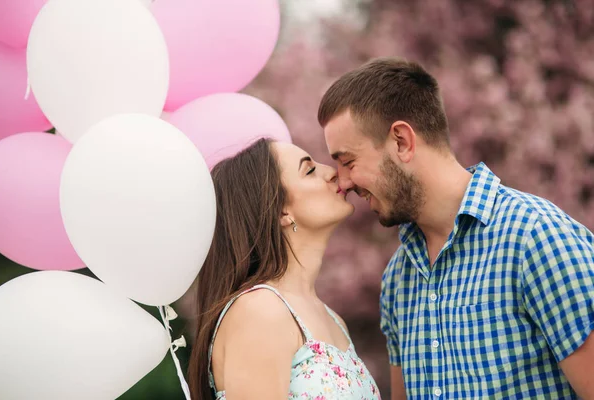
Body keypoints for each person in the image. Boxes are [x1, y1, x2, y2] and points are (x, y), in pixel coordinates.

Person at [318, 57, 594, 399]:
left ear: (402, 141)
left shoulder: (536, 238)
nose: (343, 182)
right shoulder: (397, 280)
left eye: (348, 162)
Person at [187, 138, 381, 400]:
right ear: (281, 211)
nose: (332, 172)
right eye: (310, 170)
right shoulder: (259, 310)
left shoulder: (334, 320)